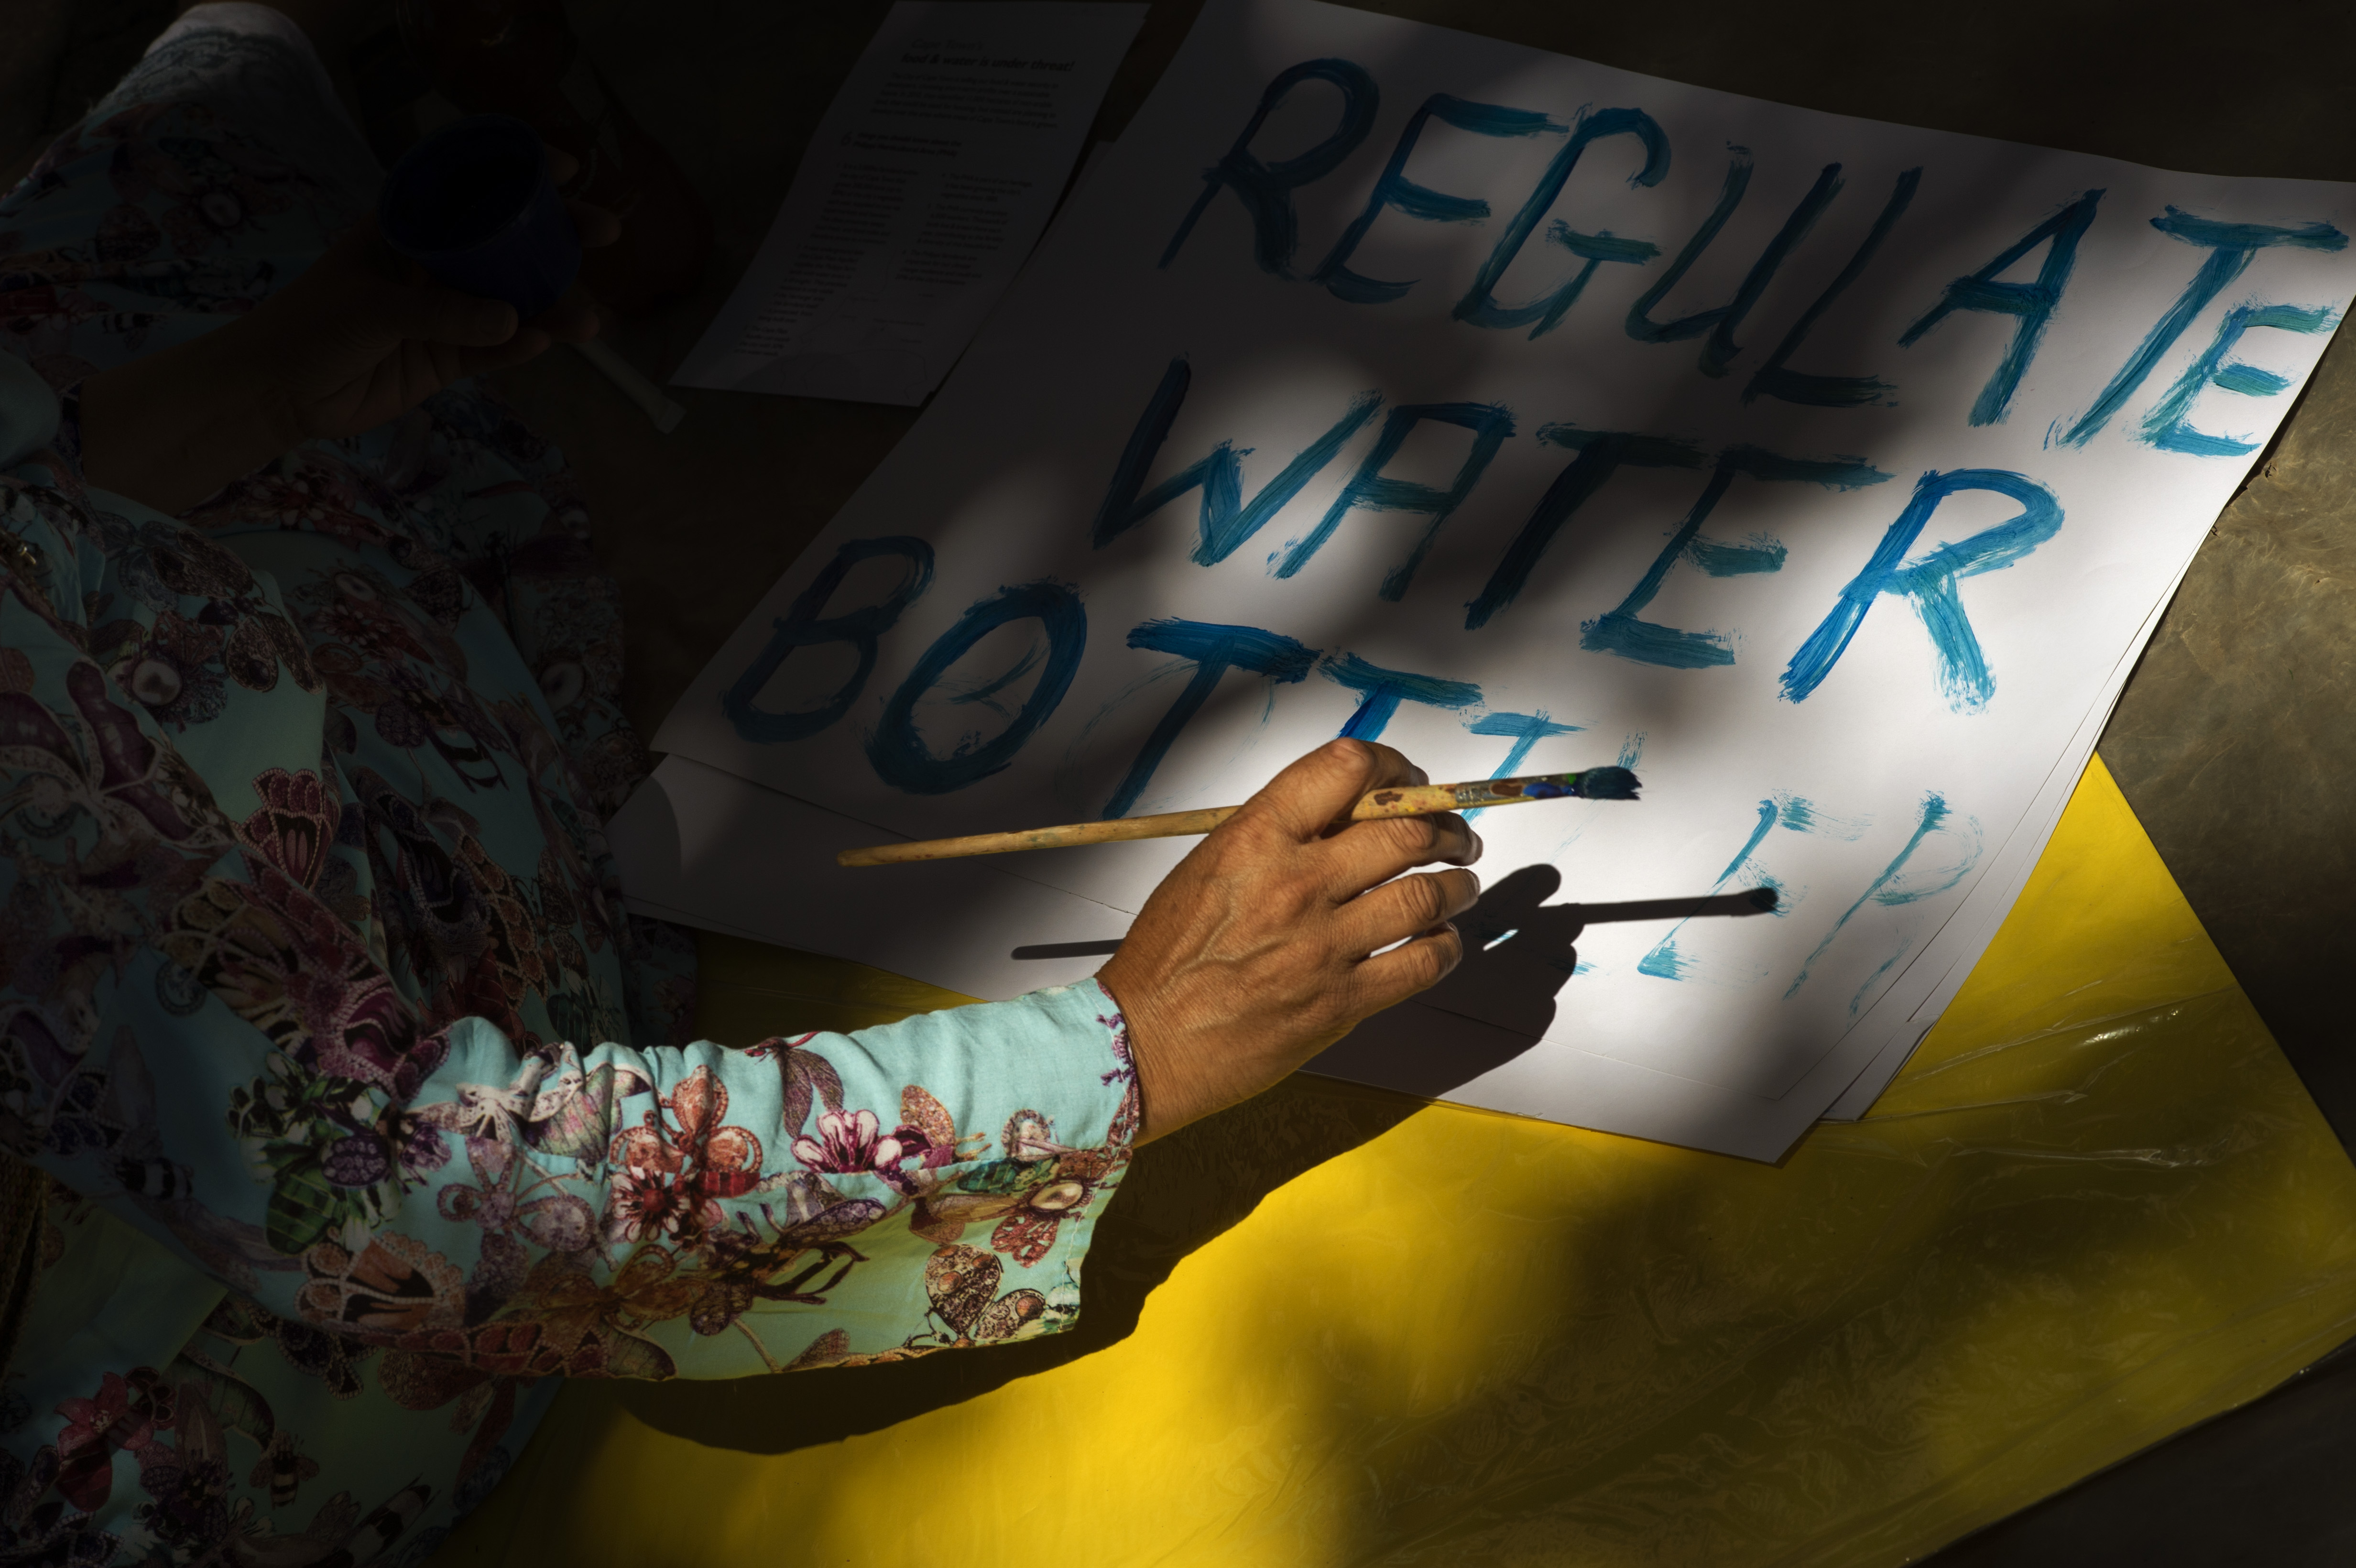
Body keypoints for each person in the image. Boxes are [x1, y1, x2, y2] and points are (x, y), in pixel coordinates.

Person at [0, 6, 1482, 1562]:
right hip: (284, 1324)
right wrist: (1143, 1042)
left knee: (192, 179)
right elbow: (397, 1193)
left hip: (217, 721)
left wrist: (251, 393)